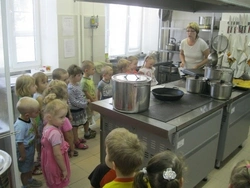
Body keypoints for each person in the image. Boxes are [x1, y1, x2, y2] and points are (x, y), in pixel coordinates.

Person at [43, 80, 78, 157]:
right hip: (61, 150)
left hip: (49, 152)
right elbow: (69, 136)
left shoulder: (47, 116)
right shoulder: (64, 120)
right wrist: (72, 148)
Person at [41, 96, 71, 188]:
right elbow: (57, 154)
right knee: (58, 180)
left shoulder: (47, 125)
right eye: (61, 117)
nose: (64, 119)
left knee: (52, 181)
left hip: (47, 159)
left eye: (65, 116)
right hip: (55, 162)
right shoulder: (55, 133)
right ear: (50, 117)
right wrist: (64, 169)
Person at [14, 97, 43, 188]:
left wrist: (37, 134)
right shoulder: (20, 126)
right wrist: (23, 156)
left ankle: (30, 180)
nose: (38, 113)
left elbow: (33, 124)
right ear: (27, 115)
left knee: (30, 167)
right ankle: (25, 185)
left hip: (30, 148)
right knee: (24, 170)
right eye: (36, 112)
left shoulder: (28, 119)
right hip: (24, 151)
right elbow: (20, 143)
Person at [67, 64, 96, 149]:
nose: (81, 77)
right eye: (79, 75)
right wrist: (84, 104)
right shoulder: (70, 88)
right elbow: (73, 101)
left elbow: (81, 95)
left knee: (83, 122)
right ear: (72, 76)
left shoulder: (77, 84)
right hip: (75, 110)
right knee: (75, 127)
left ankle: (78, 138)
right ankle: (76, 141)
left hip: (81, 108)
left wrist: (85, 100)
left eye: (81, 74)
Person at [32, 72, 48, 175]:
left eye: (47, 81)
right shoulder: (39, 97)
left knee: (39, 143)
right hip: (40, 123)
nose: (46, 84)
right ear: (36, 85)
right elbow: (43, 111)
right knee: (40, 143)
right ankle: (40, 162)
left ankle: (40, 160)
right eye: (43, 82)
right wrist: (47, 123)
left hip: (38, 122)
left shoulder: (38, 94)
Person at [80, 60, 98, 127]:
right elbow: (86, 92)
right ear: (86, 70)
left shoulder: (89, 79)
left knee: (91, 113)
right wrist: (92, 100)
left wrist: (95, 97)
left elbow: (92, 89)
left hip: (92, 100)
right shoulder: (84, 81)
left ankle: (91, 124)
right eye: (93, 69)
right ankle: (87, 128)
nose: (94, 71)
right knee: (88, 115)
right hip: (88, 101)